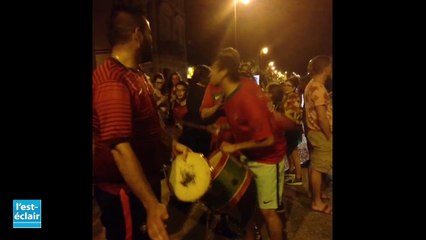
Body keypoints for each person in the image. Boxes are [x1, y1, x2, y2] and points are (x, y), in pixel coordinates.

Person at [92, 5, 190, 240]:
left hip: (141, 187)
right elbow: (120, 148)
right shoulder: (112, 81)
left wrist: (173, 146)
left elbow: (151, 126)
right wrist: (151, 205)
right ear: (137, 34)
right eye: (149, 33)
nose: (152, 40)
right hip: (124, 194)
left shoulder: (136, 75)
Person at [211, 47, 286, 240]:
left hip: (268, 158)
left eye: (214, 68)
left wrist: (234, 147)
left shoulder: (245, 95)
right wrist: (226, 127)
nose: (211, 72)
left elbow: (267, 138)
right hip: (249, 156)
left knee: (267, 212)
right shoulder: (230, 93)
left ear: (224, 71)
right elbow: (243, 122)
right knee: (246, 212)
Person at [303, 55, 333, 214]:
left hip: (315, 132)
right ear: (325, 68)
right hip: (320, 132)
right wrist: (328, 135)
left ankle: (315, 195)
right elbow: (321, 116)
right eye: (330, 66)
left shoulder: (311, 85)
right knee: (319, 167)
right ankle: (316, 202)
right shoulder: (319, 88)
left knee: (315, 164)